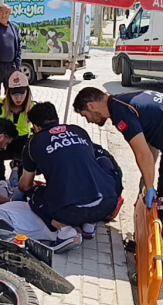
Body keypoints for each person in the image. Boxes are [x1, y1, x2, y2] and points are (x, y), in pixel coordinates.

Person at [73, 87, 163, 276]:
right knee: (161, 199)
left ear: (92, 106)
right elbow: (150, 145)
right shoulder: (122, 103)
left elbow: (142, 153)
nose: (89, 121)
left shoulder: (121, 113)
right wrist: (147, 182)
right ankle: (153, 248)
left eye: (85, 115)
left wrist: (149, 186)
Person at [18, 102, 120, 252]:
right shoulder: (79, 131)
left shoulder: (33, 144)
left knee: (32, 194)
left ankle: (65, 231)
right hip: (106, 203)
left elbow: (25, 185)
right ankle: (89, 225)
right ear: (57, 119)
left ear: (36, 127)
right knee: (101, 164)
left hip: (70, 213)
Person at [0, 70, 33, 185]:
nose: (18, 98)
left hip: (22, 142)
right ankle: (0, 180)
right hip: (4, 142)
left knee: (30, 154)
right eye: (14, 94)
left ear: (27, 92)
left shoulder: (32, 108)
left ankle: (18, 172)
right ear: (8, 93)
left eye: (21, 93)